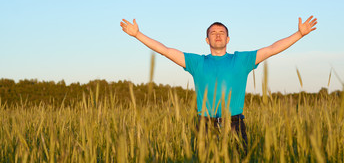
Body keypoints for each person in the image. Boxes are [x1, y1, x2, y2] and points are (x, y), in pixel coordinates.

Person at [120, 16, 317, 153]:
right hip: (204, 125)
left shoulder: (242, 60)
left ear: (228, 38)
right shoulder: (197, 62)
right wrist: (138, 34)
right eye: (213, 32)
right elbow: (165, 50)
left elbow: (272, 49)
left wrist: (299, 34)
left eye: (221, 32)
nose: (217, 35)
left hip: (235, 124)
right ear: (207, 40)